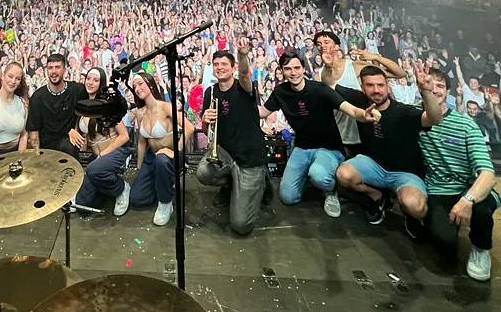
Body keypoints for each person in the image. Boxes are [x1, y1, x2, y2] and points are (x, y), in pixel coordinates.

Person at [258, 51, 381, 218]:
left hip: (328, 147)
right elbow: (262, 112)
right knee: (288, 197)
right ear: (282, 71)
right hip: (301, 147)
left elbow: (350, 109)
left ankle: (331, 191)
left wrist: (363, 115)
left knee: (318, 175)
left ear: (303, 69)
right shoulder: (280, 92)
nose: (293, 73)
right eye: (288, 69)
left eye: (297, 68)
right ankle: (311, 177)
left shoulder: (320, 89)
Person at [334, 64, 442, 235]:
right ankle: (377, 196)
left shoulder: (404, 112)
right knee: (343, 174)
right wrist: (330, 64)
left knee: (415, 207)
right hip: (374, 165)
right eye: (370, 85)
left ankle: (410, 216)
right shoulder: (360, 101)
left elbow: (435, 119)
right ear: (363, 88)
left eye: (380, 85)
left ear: (388, 86)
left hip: (406, 173)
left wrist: (427, 92)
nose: (376, 90)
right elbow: (330, 84)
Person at [418, 68, 499, 281]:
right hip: (438, 190)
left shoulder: (466, 125)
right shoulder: (414, 120)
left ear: (448, 92)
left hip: (468, 188)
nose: (434, 90)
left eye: (440, 86)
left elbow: (488, 174)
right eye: (429, 84)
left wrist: (467, 199)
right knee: (445, 245)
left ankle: (481, 249)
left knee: (481, 211)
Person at [197, 39, 268, 236]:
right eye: (216, 64)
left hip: (249, 158)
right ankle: (230, 184)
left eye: (224, 64)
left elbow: (245, 74)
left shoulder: (244, 87)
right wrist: (204, 120)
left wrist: (243, 55)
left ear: (233, 67)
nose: (219, 67)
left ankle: (260, 185)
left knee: (241, 225)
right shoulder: (210, 91)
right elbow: (205, 129)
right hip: (225, 153)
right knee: (203, 172)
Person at [316, 30, 405, 151]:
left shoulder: (355, 66)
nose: (322, 46)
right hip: (338, 134)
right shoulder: (318, 75)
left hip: (364, 131)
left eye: (326, 42)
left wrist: (376, 57)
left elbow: (399, 73)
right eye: (319, 44)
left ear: (337, 46)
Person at [129, 71, 194, 226]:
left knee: (162, 160)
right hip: (151, 158)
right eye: (134, 86)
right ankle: (163, 185)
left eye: (140, 84)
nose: (137, 88)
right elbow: (142, 142)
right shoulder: (140, 113)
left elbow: (189, 128)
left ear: (150, 84)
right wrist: (139, 168)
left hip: (170, 158)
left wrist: (175, 152)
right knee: (137, 199)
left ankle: (165, 203)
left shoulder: (166, 107)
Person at [72, 67, 132, 215]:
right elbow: (82, 135)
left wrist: (104, 153)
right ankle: (103, 187)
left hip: (115, 152)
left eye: (95, 80)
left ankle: (121, 188)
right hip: (96, 157)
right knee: (82, 205)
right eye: (88, 79)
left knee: (93, 170)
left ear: (101, 83)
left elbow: (124, 136)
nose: (90, 82)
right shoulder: (83, 105)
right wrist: (71, 131)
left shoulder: (108, 104)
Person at [26, 53, 87, 157]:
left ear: (64, 70)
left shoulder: (77, 90)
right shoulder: (37, 97)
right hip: (46, 149)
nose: (54, 71)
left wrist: (77, 129)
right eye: (50, 68)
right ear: (46, 71)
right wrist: (37, 156)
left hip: (68, 145)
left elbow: (87, 110)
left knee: (68, 147)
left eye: (57, 67)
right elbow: (34, 132)